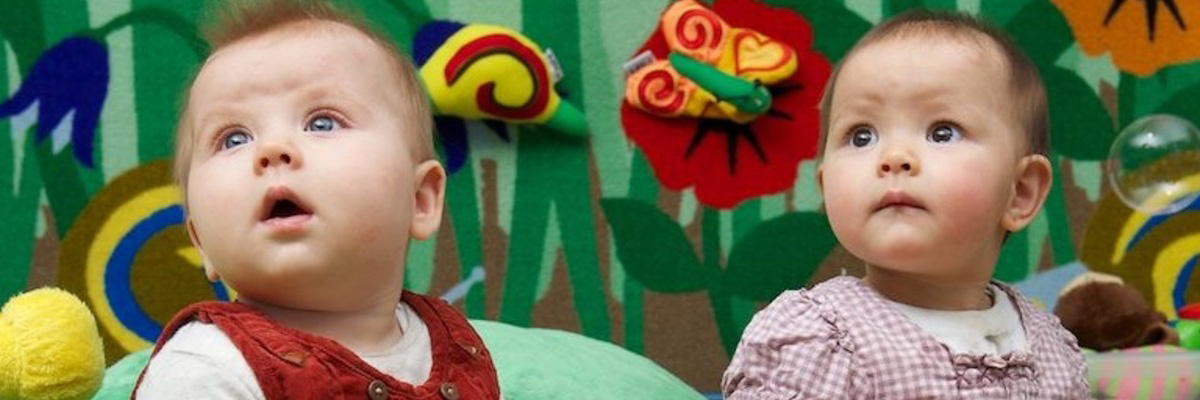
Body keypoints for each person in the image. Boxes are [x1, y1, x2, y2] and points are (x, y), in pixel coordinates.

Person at [133, 0, 501, 398]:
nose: (272, 149)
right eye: (233, 138)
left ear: (420, 200)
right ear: (200, 241)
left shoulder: (459, 348)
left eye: (322, 122)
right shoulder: (204, 369)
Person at [722, 10, 1089, 399]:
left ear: (1020, 192)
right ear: (826, 185)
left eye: (942, 132)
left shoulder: (1052, 348)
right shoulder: (817, 340)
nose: (894, 156)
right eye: (862, 136)